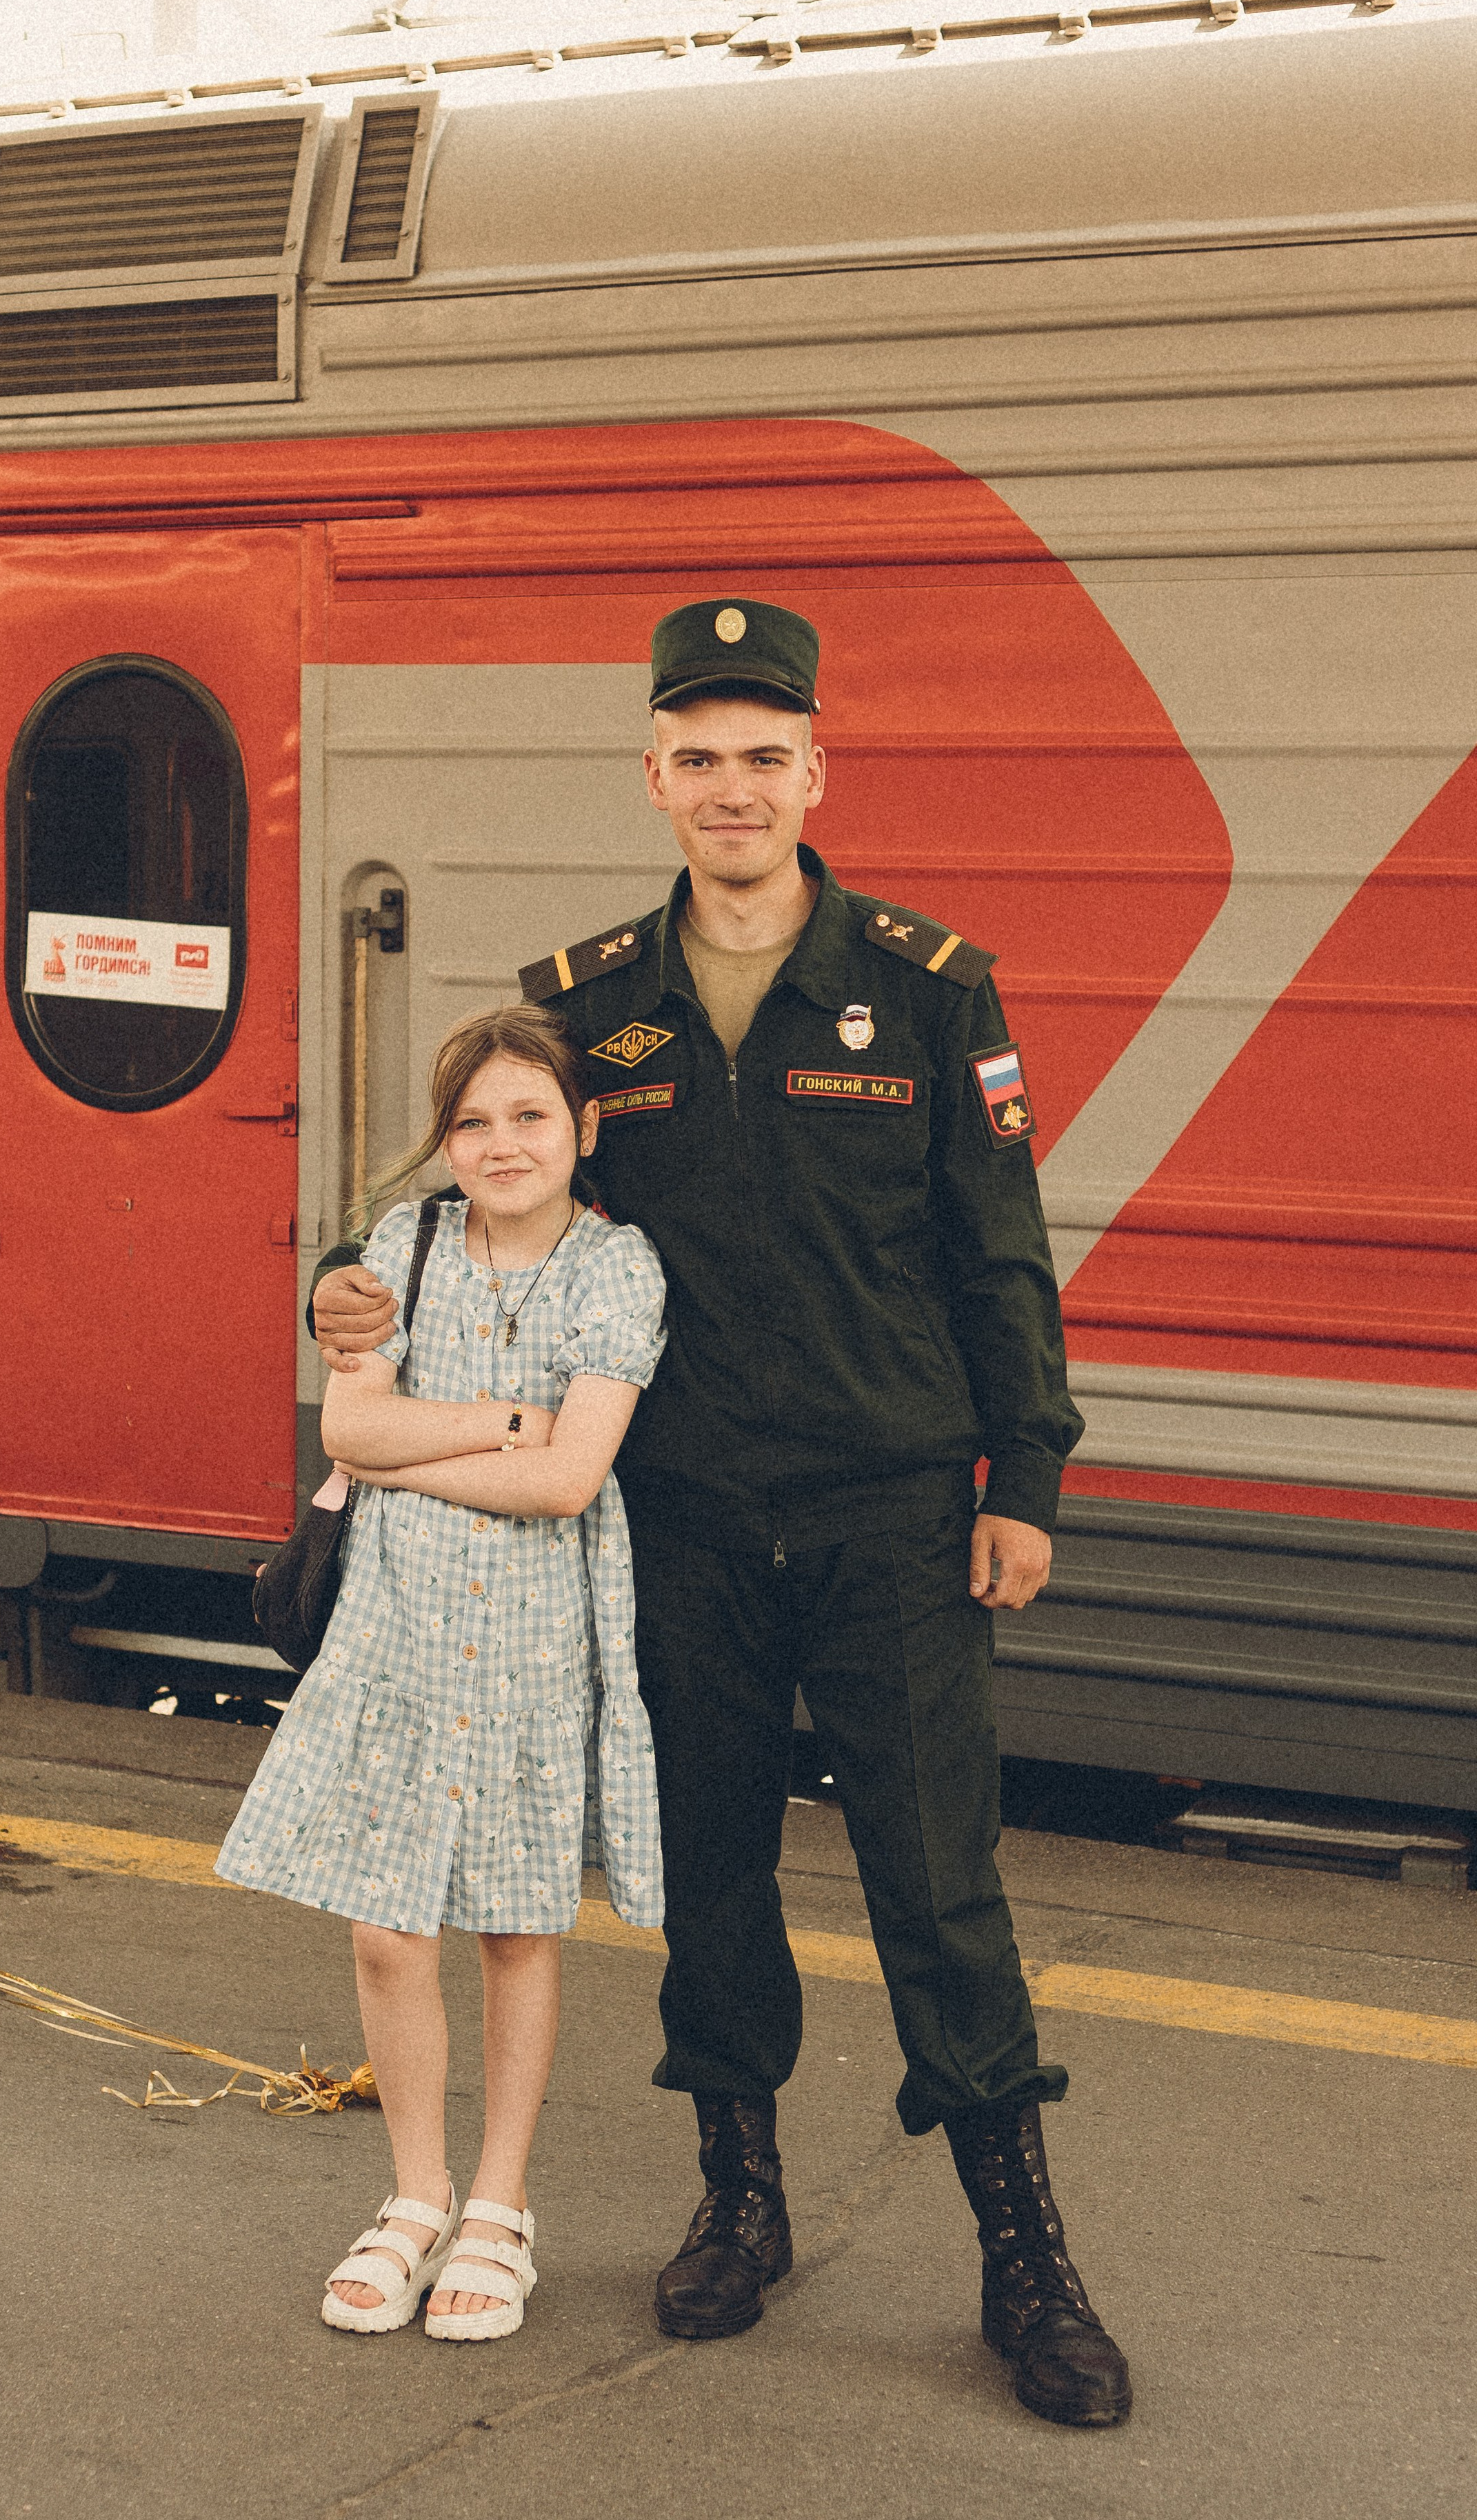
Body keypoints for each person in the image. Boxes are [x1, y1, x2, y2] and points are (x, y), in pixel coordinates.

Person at [310, 600, 1132, 2427]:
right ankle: (737, 2204)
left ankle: (1026, 2258)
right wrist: (337, 1292)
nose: (734, 787)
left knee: (940, 1885)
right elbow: (453, 1172)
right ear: (657, 778)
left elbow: (1000, 1254)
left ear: (815, 771)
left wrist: (1034, 1478)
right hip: (679, 1521)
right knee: (714, 1880)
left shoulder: (931, 987)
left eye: (766, 754)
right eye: (700, 756)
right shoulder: (591, 1001)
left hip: (893, 1511)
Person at [217, 1004, 667, 2343]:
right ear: (444, 1138)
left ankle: (497, 2208)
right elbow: (348, 1418)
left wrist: (415, 1448)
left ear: (582, 1130)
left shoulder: (618, 1269)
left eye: (529, 1115)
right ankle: (412, 2199)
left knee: (515, 1921)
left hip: (537, 1624)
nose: (498, 1143)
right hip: (396, 1626)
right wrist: (502, 1418)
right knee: (383, 1923)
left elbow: (569, 1479)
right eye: (471, 1121)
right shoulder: (401, 1245)